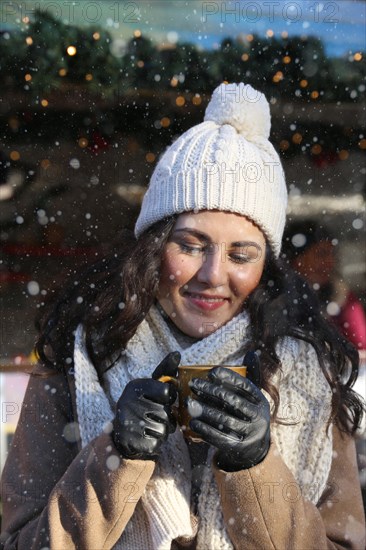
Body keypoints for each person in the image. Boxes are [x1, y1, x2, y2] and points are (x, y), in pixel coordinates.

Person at [1, 83, 365, 550]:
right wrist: (116, 455)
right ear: (153, 248)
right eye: (190, 245)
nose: (213, 275)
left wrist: (254, 466)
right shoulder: (76, 361)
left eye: (242, 254)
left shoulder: (310, 375)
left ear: (267, 269)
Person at [283, 220, 366, 351]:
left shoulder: (342, 297)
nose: (329, 262)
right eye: (320, 254)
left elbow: (361, 346)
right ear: (297, 259)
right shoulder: (277, 298)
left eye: (331, 254)